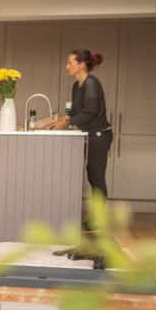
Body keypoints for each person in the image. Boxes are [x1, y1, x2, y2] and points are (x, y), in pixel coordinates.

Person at [51, 48, 111, 200]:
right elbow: (75, 111)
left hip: (99, 135)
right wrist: (59, 120)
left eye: (70, 63)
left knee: (96, 178)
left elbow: (90, 112)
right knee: (92, 176)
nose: (67, 66)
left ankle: (99, 221)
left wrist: (67, 122)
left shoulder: (91, 83)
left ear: (82, 65)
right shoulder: (76, 86)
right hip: (89, 135)